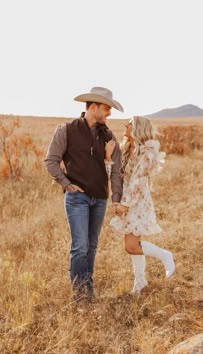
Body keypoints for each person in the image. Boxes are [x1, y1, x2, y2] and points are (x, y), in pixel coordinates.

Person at [44, 86, 123, 302]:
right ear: (94, 107)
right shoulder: (66, 130)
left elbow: (116, 169)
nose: (109, 113)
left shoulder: (108, 135)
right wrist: (66, 183)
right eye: (107, 108)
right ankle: (79, 295)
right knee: (80, 246)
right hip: (77, 197)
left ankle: (88, 290)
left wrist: (116, 197)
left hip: (100, 198)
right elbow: (51, 161)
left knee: (92, 246)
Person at [109, 115, 175, 294]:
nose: (125, 125)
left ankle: (164, 255)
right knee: (134, 244)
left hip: (136, 203)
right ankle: (140, 283)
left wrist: (125, 204)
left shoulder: (147, 153)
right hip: (128, 200)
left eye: (129, 124)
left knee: (131, 245)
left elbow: (136, 182)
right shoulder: (126, 149)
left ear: (137, 129)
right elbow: (116, 174)